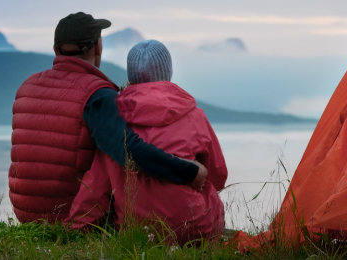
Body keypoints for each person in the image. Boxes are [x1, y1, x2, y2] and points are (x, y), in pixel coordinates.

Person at [9, 12, 208, 223]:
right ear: (97, 47)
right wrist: (189, 171)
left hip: (26, 214)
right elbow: (129, 151)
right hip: (70, 215)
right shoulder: (97, 94)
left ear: (56, 49)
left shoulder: (27, 86)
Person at [65, 40, 227, 244]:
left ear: (131, 76)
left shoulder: (115, 123)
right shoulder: (194, 115)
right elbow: (218, 175)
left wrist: (74, 229)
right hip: (197, 228)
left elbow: (96, 187)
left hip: (139, 231)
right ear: (168, 72)